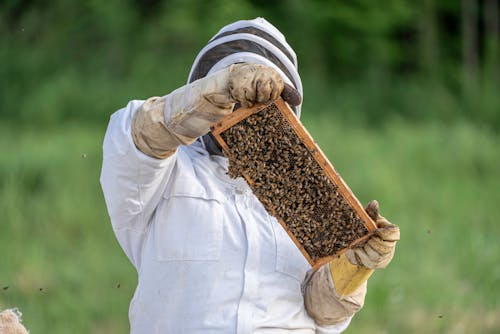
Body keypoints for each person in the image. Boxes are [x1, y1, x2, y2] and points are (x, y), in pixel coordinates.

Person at [100, 18, 400, 334]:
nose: (254, 108)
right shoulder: (169, 172)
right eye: (246, 93)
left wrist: (352, 267)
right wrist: (221, 88)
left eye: (268, 98)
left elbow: (323, 314)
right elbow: (134, 137)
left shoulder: (304, 192)